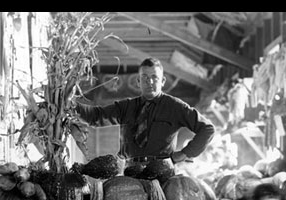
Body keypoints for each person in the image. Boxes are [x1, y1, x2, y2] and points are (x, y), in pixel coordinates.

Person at [74, 57, 216, 164]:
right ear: (138, 81)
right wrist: (71, 103)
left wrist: (185, 153)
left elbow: (207, 129)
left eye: (155, 77)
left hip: (162, 172)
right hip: (131, 171)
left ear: (163, 81)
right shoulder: (127, 106)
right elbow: (95, 116)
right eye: (145, 78)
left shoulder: (175, 107)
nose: (150, 82)